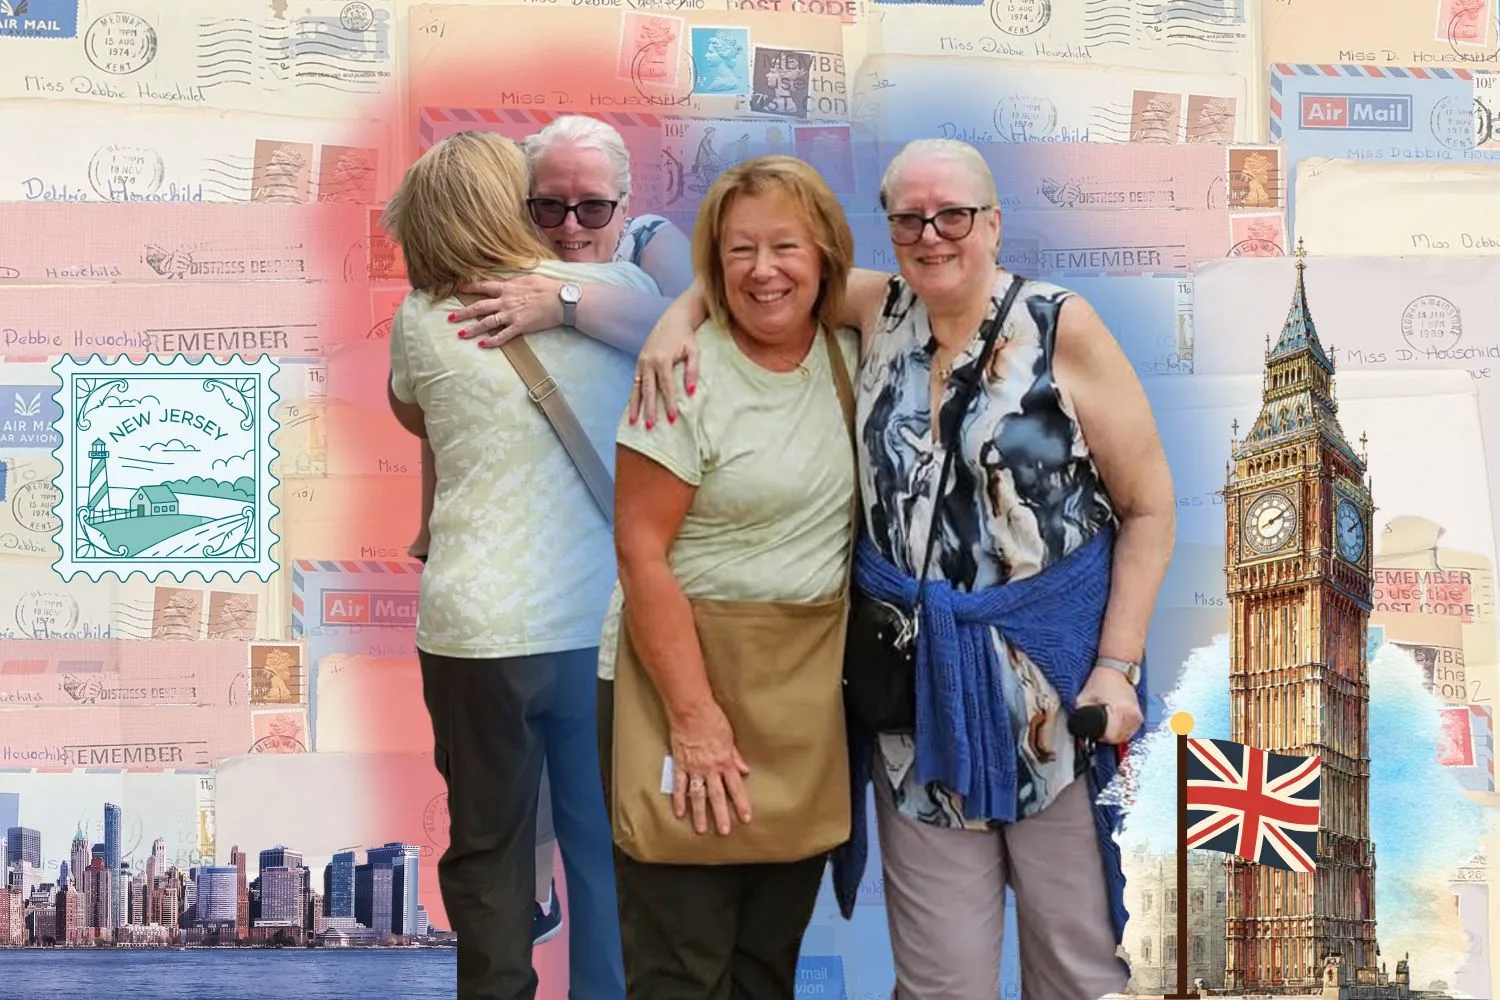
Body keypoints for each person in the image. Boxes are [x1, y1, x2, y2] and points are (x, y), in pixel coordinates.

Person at [628, 138, 1175, 1000]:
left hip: (1055, 696)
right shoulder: (878, 307)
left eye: (953, 214)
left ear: (992, 223)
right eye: (910, 218)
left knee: (1079, 969)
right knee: (939, 982)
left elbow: (1147, 508)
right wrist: (675, 319)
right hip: (913, 701)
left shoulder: (1061, 325)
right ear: (888, 230)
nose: (932, 235)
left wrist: (1118, 666)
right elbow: (765, 272)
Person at [404, 115, 694, 944]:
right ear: (516, 207)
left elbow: (695, 334)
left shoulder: (643, 253)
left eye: (592, 210)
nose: (571, 228)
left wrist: (565, 302)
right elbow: (433, 413)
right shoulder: (489, 287)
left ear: (625, 204)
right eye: (549, 209)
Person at [599, 155, 859, 999]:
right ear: (713, 265)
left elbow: (946, 280)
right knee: (681, 968)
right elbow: (640, 553)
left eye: (786, 245)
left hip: (800, 697)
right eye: (737, 250)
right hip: (680, 681)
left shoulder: (856, 351)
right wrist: (695, 720)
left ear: (825, 254)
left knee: (764, 968)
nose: (763, 269)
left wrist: (676, 302)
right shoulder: (681, 375)